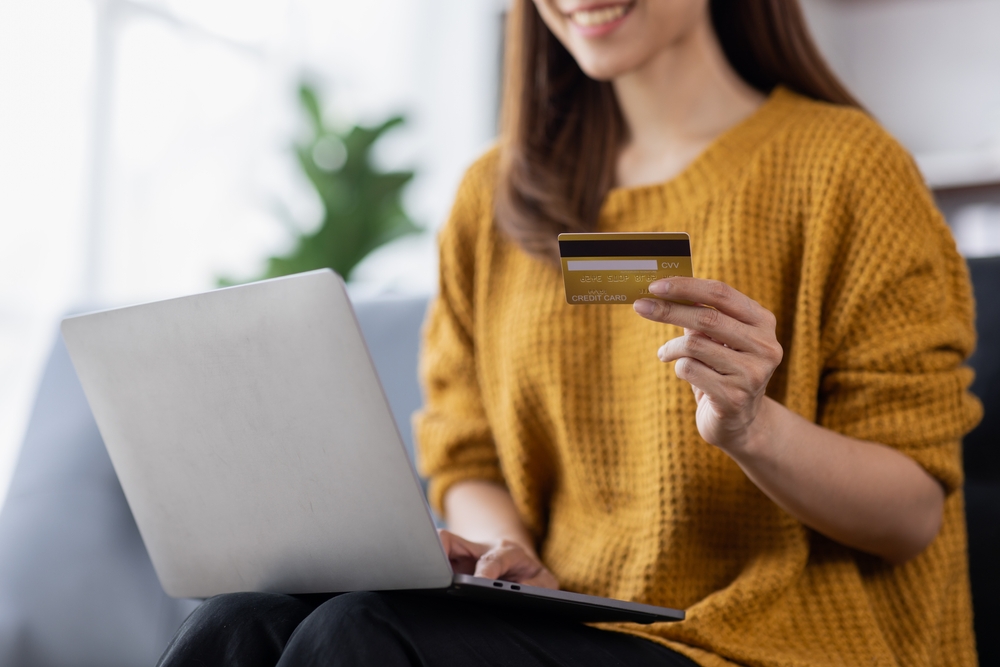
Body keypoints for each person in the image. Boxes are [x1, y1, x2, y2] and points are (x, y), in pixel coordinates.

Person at [158, 0, 983, 665]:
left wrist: (754, 427)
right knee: (236, 625)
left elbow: (912, 512)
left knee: (360, 636)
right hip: (566, 620)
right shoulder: (492, 195)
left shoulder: (849, 168)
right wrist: (507, 565)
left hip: (765, 641)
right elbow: (467, 455)